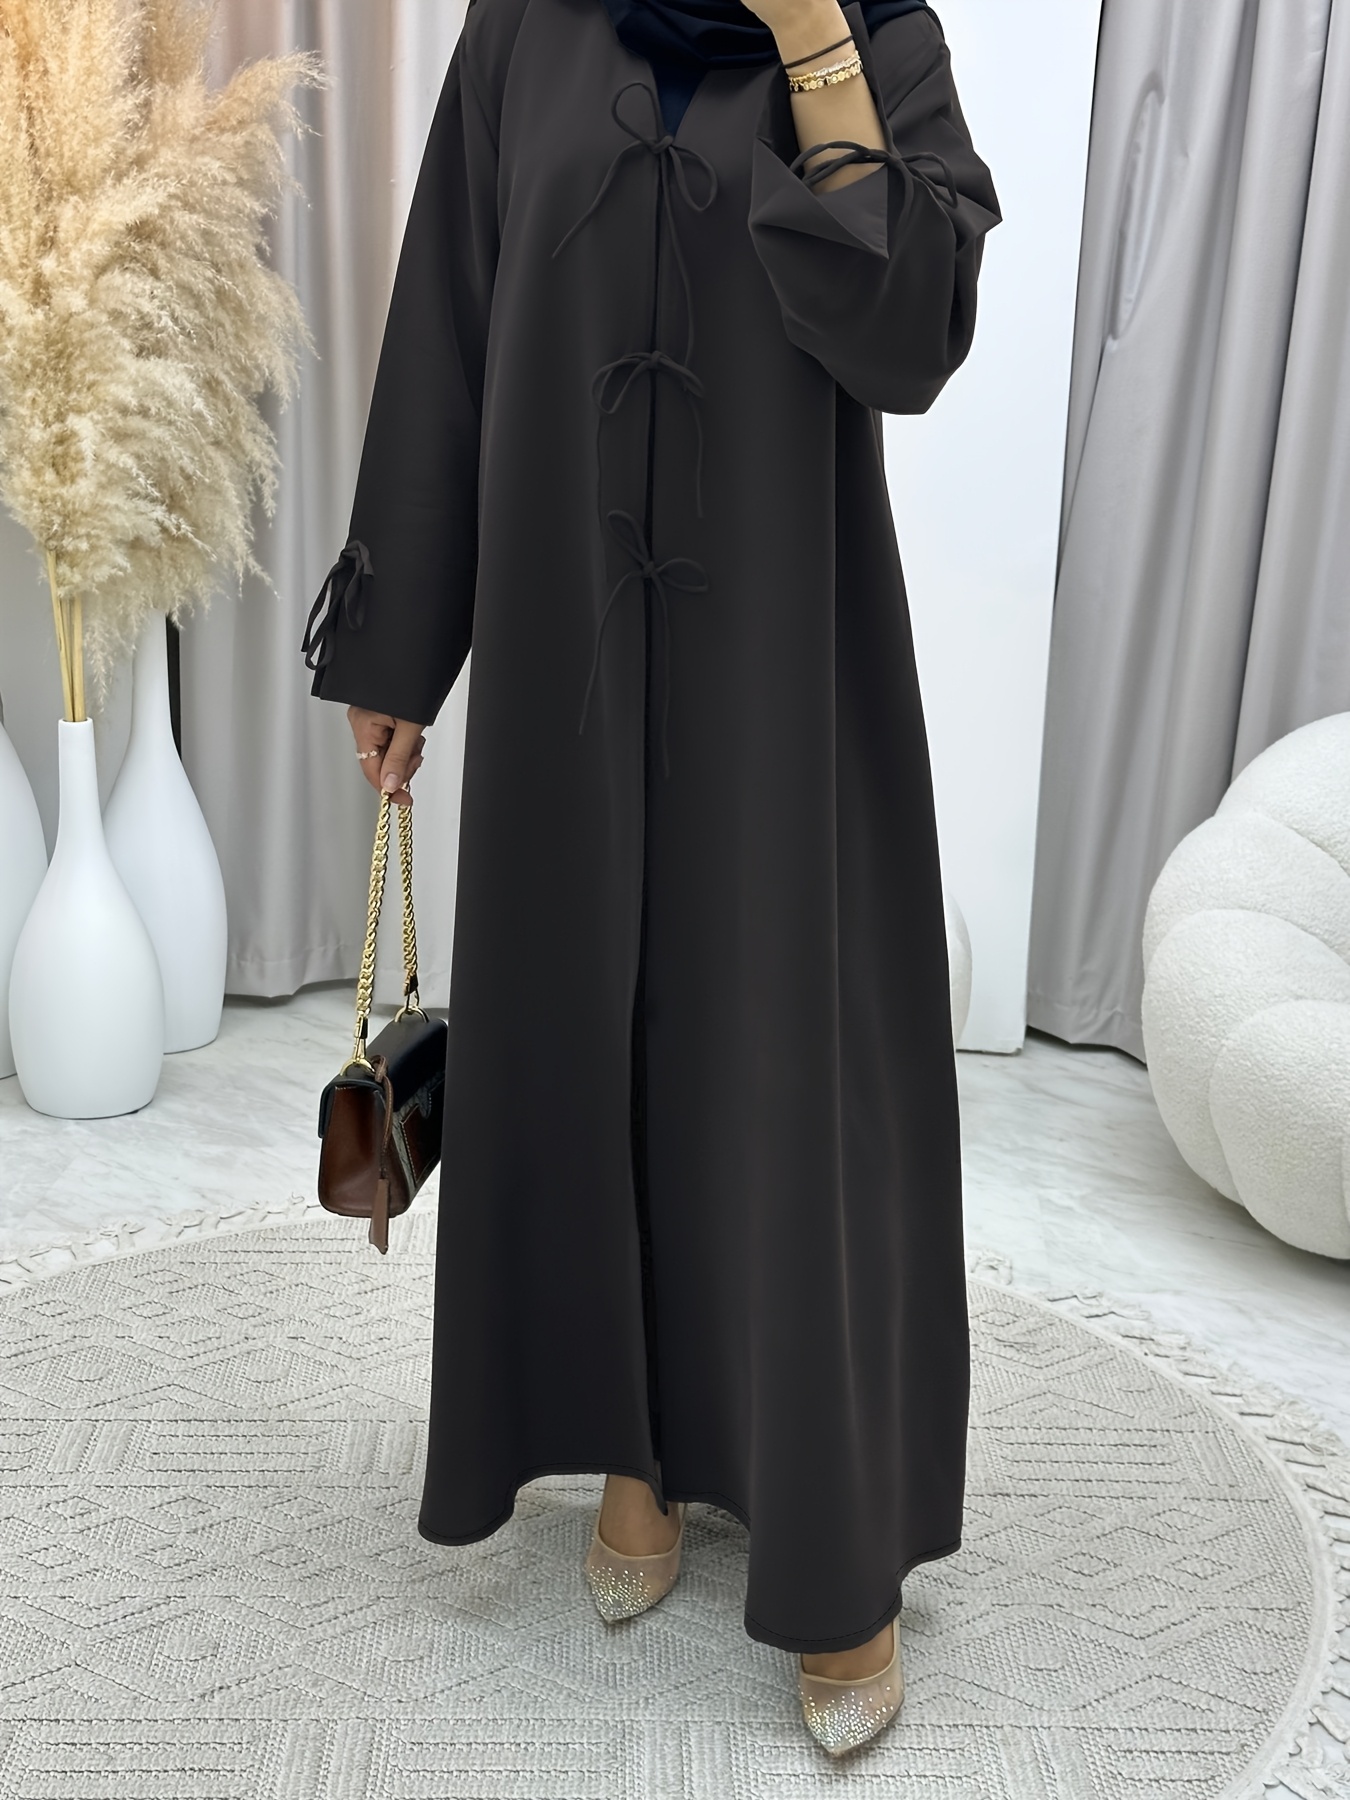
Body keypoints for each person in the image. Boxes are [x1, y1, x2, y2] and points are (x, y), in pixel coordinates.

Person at [303, 0, 997, 1756]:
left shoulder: (879, 39)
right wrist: (401, 642)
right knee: (587, 1031)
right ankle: (636, 1448)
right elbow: (450, 320)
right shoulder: (525, 31)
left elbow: (908, 337)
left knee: (783, 1075)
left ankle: (834, 1548)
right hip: (567, 656)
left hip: (788, 663)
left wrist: (815, 43)